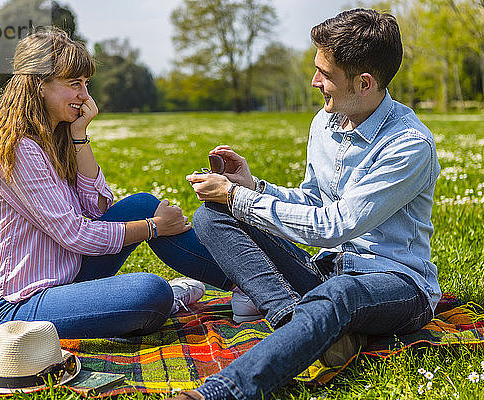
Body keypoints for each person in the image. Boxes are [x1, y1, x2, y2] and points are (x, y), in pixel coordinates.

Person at [180, 8, 441, 400]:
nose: (315, 81)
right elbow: (315, 200)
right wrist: (254, 186)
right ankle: (300, 323)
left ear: (364, 82)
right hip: (328, 270)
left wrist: (240, 197)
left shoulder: (408, 145)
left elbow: (336, 225)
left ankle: (222, 391)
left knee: (339, 296)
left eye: (326, 74)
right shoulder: (325, 122)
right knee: (211, 216)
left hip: (397, 284)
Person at [0, 27, 233, 339]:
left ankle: (245, 283)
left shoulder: (55, 139)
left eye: (86, 84)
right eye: (74, 84)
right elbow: (76, 235)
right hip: (14, 305)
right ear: (39, 85)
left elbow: (97, 207)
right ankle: (176, 297)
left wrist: (80, 135)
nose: (85, 96)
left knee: (141, 204)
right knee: (151, 291)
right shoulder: (20, 151)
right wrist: (154, 227)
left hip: (65, 278)